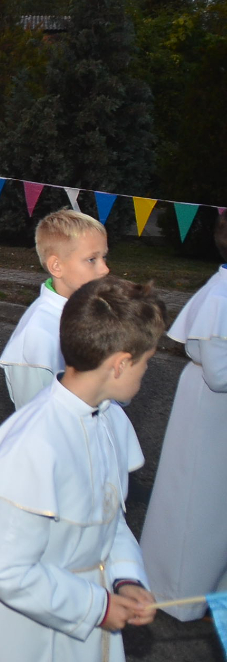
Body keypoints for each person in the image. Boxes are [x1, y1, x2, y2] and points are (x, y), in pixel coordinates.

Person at [0, 276, 162, 662]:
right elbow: (5, 572)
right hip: (28, 630)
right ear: (121, 364)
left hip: (88, 604)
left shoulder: (108, 420)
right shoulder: (35, 444)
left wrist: (126, 578)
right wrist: (97, 606)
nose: (146, 372)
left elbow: (112, 517)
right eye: (146, 362)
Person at [141, 212, 227, 623]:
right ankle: (180, 591)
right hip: (209, 412)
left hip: (216, 414)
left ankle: (207, 583)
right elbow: (220, 371)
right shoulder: (221, 294)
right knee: (196, 501)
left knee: (213, 506)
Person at [0, 209, 109, 410]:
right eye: (92, 259)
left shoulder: (89, 311)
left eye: (104, 257)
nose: (104, 269)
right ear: (56, 266)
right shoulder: (37, 338)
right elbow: (36, 417)